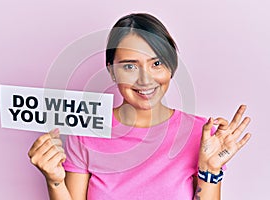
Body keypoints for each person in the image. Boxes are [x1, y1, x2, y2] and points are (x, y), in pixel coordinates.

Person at [28, 13, 251, 200]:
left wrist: (210, 170)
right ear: (112, 71)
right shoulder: (86, 131)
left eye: (156, 63)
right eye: (129, 66)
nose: (145, 80)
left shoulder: (201, 135)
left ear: (171, 66)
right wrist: (55, 182)